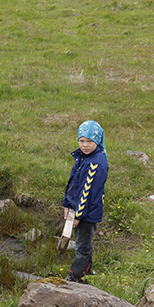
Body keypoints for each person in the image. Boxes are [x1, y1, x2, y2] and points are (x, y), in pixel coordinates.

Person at [62, 120, 109, 282]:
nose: (85, 145)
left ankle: (74, 277)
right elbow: (73, 184)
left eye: (90, 141)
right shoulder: (83, 158)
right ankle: (87, 274)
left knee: (82, 247)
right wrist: (66, 204)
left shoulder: (96, 163)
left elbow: (88, 192)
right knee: (84, 243)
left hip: (87, 212)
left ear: (98, 141)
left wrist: (78, 215)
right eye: (82, 140)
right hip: (78, 209)